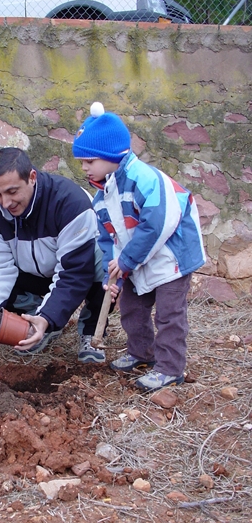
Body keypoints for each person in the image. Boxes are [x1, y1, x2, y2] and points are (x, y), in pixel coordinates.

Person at [72, 102, 206, 393]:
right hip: (136, 261)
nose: (84, 167)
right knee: (132, 309)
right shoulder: (102, 197)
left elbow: (157, 223)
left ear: (112, 155)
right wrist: (114, 270)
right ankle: (142, 352)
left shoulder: (144, 179)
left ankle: (170, 368)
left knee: (169, 315)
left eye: (89, 160)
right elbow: (108, 237)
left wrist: (128, 260)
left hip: (172, 257)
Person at [0, 147, 109, 362]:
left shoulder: (70, 202)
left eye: (12, 192)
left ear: (32, 177)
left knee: (103, 262)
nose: (5, 203)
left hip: (77, 273)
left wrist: (49, 315)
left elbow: (74, 272)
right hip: (32, 276)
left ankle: (89, 331)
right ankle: (35, 321)